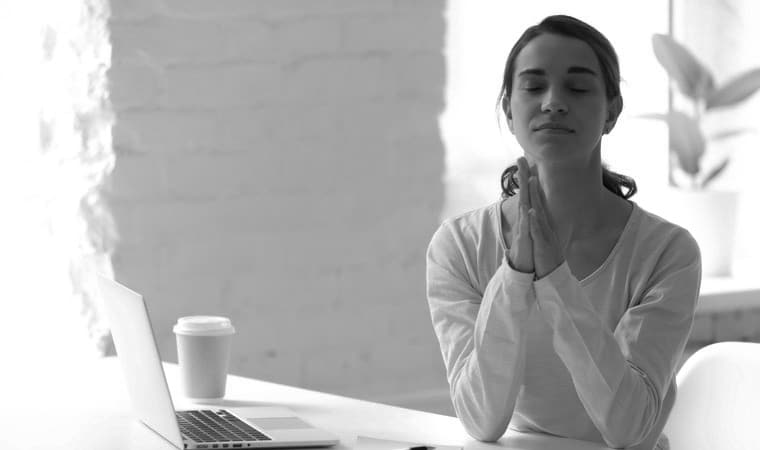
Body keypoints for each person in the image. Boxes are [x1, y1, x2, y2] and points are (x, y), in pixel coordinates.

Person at [425, 15, 701, 450]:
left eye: (577, 87)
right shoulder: (458, 247)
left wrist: (555, 279)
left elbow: (628, 428)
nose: (553, 102)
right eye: (533, 87)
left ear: (612, 111)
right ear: (509, 111)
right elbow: (481, 420)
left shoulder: (668, 253)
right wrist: (516, 276)